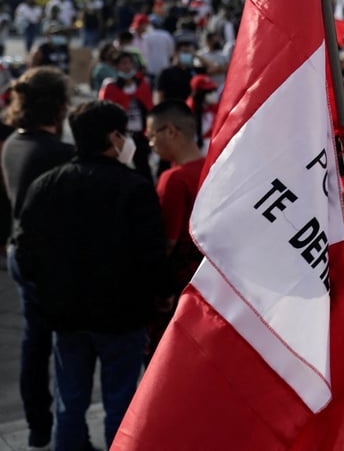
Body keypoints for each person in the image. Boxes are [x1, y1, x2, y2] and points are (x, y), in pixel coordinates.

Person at [16, 100, 168, 451]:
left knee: (69, 402)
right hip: (122, 318)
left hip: (65, 316)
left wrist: (47, 292)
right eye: (124, 134)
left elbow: (24, 254)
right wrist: (160, 295)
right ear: (113, 137)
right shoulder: (134, 187)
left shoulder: (46, 185)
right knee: (121, 403)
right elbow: (152, 255)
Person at [2, 67, 74, 451]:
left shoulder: (12, 142)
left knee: (34, 343)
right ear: (59, 108)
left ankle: (38, 427)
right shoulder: (59, 154)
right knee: (64, 347)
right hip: (50, 260)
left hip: (19, 250)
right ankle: (63, 429)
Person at [145, 100, 205, 356]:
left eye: (151, 135)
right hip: (209, 287)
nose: (150, 144)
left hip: (177, 289)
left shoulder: (174, 179)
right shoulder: (213, 167)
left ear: (171, 131)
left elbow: (166, 243)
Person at [99, 51, 154, 179]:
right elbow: (105, 113)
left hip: (140, 134)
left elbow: (149, 109)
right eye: (123, 63)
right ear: (116, 67)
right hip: (120, 136)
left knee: (144, 168)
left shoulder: (142, 85)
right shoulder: (110, 87)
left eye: (129, 63)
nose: (127, 66)